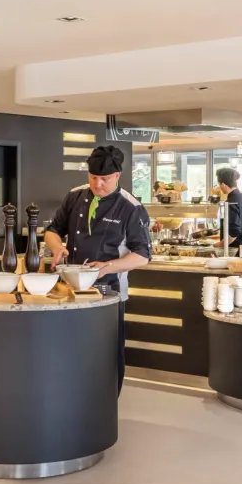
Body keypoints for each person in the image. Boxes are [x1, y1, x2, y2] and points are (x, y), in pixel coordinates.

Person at [44, 145, 151, 396]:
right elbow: (53, 230)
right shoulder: (74, 196)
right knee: (71, 350)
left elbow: (143, 255)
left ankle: (107, 403)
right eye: (93, 177)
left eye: (104, 179)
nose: (97, 184)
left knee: (105, 353)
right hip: (69, 291)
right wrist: (57, 247)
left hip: (109, 292)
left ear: (117, 176)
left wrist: (107, 266)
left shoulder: (130, 207)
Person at [216, 167, 242, 246]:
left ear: (223, 185)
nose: (219, 187)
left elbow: (234, 232)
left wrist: (220, 244)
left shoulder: (230, 202)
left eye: (219, 184)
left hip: (234, 249)